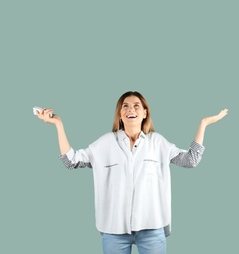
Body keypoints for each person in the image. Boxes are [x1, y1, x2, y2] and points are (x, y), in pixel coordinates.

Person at [36, 91, 228, 254]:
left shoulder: (157, 142)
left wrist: (204, 123)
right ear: (120, 114)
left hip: (152, 228)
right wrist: (58, 125)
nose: (131, 110)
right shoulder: (105, 144)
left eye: (137, 106)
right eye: (125, 106)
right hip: (114, 230)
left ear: (145, 112)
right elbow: (71, 161)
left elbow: (191, 160)